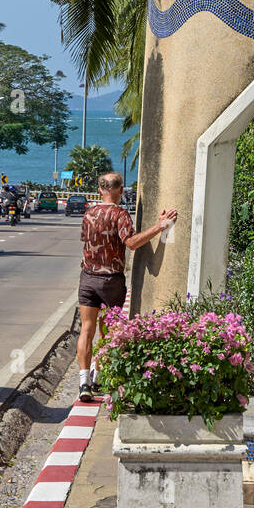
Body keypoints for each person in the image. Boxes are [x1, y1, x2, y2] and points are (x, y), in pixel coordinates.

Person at [76, 171, 177, 402]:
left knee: (86, 330)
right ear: (120, 190)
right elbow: (131, 243)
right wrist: (159, 227)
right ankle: (98, 376)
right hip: (111, 281)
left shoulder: (88, 213)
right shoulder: (121, 215)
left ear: (100, 190)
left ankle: (84, 383)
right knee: (108, 332)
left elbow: (87, 240)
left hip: (88, 278)